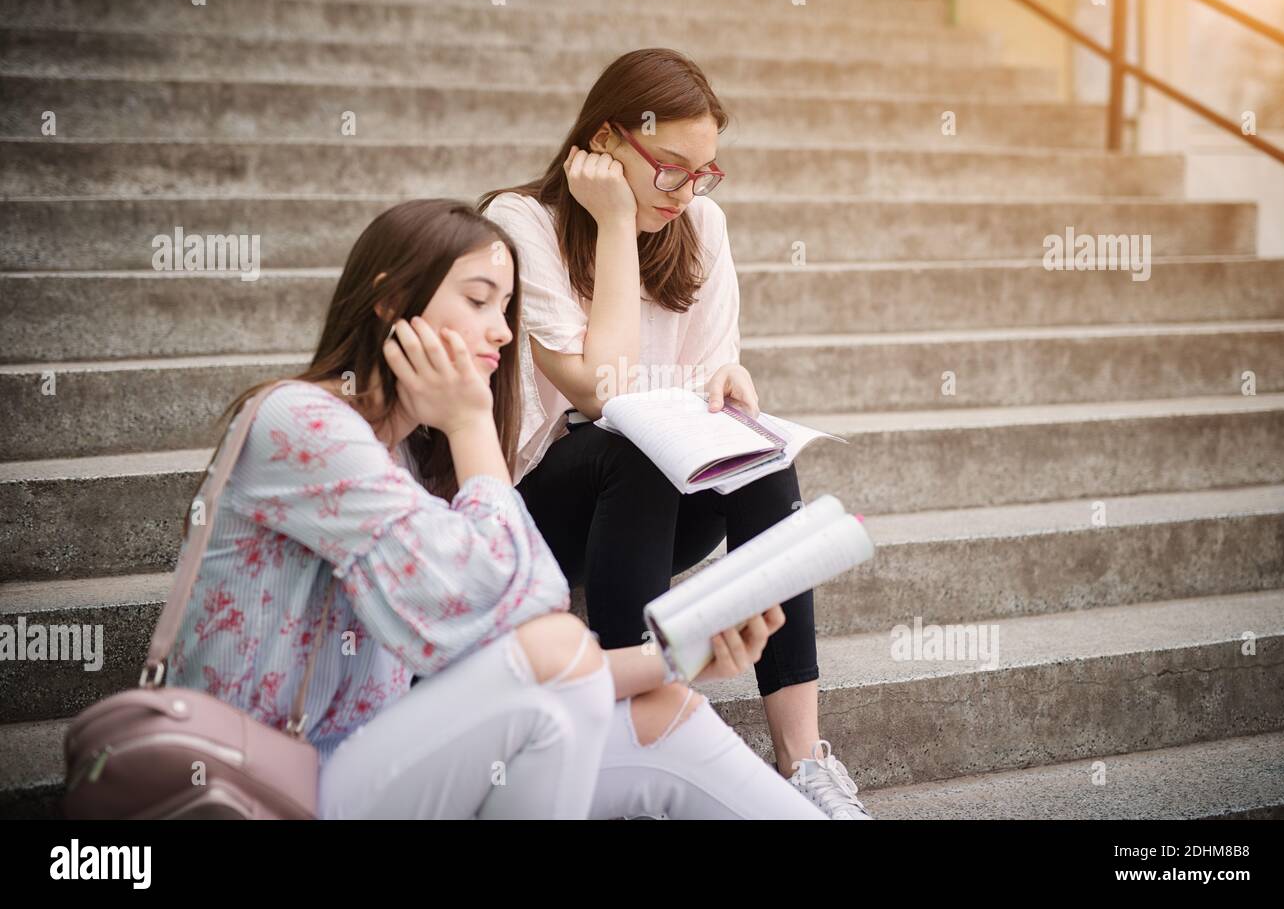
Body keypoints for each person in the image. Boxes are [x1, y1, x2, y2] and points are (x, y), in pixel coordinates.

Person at [166, 198, 829, 818]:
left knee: (662, 712)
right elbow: (521, 613)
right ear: (391, 299)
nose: (501, 332)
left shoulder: (414, 459)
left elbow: (524, 650)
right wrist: (473, 424)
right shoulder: (302, 424)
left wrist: (682, 656)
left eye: (507, 306)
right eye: (480, 300)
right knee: (553, 677)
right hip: (274, 780)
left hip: (389, 759)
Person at [479, 48, 872, 818]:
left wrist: (728, 389)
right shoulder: (520, 221)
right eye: (670, 167)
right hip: (544, 512)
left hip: (654, 503)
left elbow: (706, 381)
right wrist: (617, 222)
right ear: (605, 139)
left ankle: (804, 759)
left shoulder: (702, 224)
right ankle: (639, 725)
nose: (688, 191)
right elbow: (606, 390)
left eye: (705, 172)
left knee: (759, 457)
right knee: (633, 440)